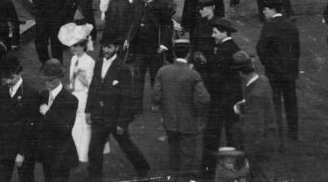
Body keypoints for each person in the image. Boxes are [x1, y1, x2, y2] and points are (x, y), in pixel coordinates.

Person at [85, 34, 151, 182]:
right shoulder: (98, 63)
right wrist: (88, 109)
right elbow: (93, 87)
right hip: (98, 115)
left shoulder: (123, 69)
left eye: (109, 47)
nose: (106, 50)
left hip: (114, 117)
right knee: (94, 147)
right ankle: (94, 176)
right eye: (104, 47)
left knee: (125, 144)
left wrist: (122, 122)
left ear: (116, 48)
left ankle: (142, 166)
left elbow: (127, 98)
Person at [151, 38, 211, 181]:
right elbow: (204, 98)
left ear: (173, 52)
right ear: (188, 53)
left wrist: (161, 106)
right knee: (187, 156)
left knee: (173, 152)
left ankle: (173, 177)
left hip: (170, 120)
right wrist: (198, 112)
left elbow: (155, 95)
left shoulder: (163, 71)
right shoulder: (193, 74)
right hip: (189, 121)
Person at [122, 0, 174, 117]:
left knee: (155, 76)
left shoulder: (160, 5)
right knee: (137, 77)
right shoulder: (136, 3)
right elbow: (131, 22)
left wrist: (163, 44)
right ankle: (136, 106)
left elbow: (167, 25)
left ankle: (156, 102)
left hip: (155, 47)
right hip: (139, 47)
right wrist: (128, 39)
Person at [21, 59, 79, 182]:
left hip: (61, 154)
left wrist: (48, 113)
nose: (47, 83)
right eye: (45, 80)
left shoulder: (70, 99)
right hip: (46, 152)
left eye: (51, 80)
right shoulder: (44, 95)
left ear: (60, 78)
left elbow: (66, 128)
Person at [200, 18, 242, 178]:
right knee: (232, 136)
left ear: (224, 33)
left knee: (212, 136)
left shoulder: (225, 50)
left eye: (215, 32)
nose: (212, 35)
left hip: (220, 100)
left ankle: (207, 172)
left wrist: (203, 68)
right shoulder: (230, 47)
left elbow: (215, 77)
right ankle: (236, 169)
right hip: (232, 100)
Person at [256, 0, 300, 146]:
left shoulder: (269, 26)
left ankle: (278, 137)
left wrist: (269, 64)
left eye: (265, 9)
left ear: (273, 10)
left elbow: (260, 49)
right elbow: (297, 50)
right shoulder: (291, 25)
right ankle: (293, 132)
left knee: (275, 104)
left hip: (274, 73)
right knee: (291, 102)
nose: (263, 12)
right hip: (290, 72)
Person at [232, 52, 279, 181]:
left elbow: (255, 128)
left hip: (260, 144)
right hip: (269, 137)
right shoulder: (263, 80)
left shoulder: (255, 94)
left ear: (240, 73)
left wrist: (249, 153)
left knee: (261, 176)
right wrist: (243, 105)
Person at [0, 53, 40, 182]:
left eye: (11, 77)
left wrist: (22, 152)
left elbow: (31, 127)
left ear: (20, 72)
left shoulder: (31, 93)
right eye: (5, 78)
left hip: (24, 146)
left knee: (26, 177)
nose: (8, 81)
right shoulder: (2, 92)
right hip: (6, 147)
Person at [58, 22, 95, 164]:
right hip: (74, 96)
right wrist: (71, 85)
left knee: (84, 127)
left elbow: (91, 85)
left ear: (83, 46)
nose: (73, 49)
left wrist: (80, 77)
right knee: (73, 126)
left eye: (76, 46)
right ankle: (75, 155)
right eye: (71, 46)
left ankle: (84, 157)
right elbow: (72, 81)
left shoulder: (89, 62)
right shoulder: (74, 59)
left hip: (85, 97)